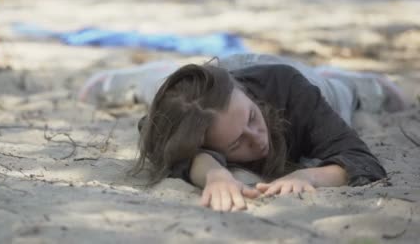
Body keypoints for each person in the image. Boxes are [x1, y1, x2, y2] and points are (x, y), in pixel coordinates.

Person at [78, 53, 407, 212]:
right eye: (238, 143)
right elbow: (172, 152)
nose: (258, 138)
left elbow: (362, 159)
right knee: (158, 93)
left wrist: (311, 178)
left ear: (246, 97)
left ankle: (355, 80)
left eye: (251, 118)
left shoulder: (293, 91)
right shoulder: (175, 123)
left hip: (304, 80)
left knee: (344, 94)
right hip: (220, 77)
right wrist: (215, 175)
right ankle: (148, 73)